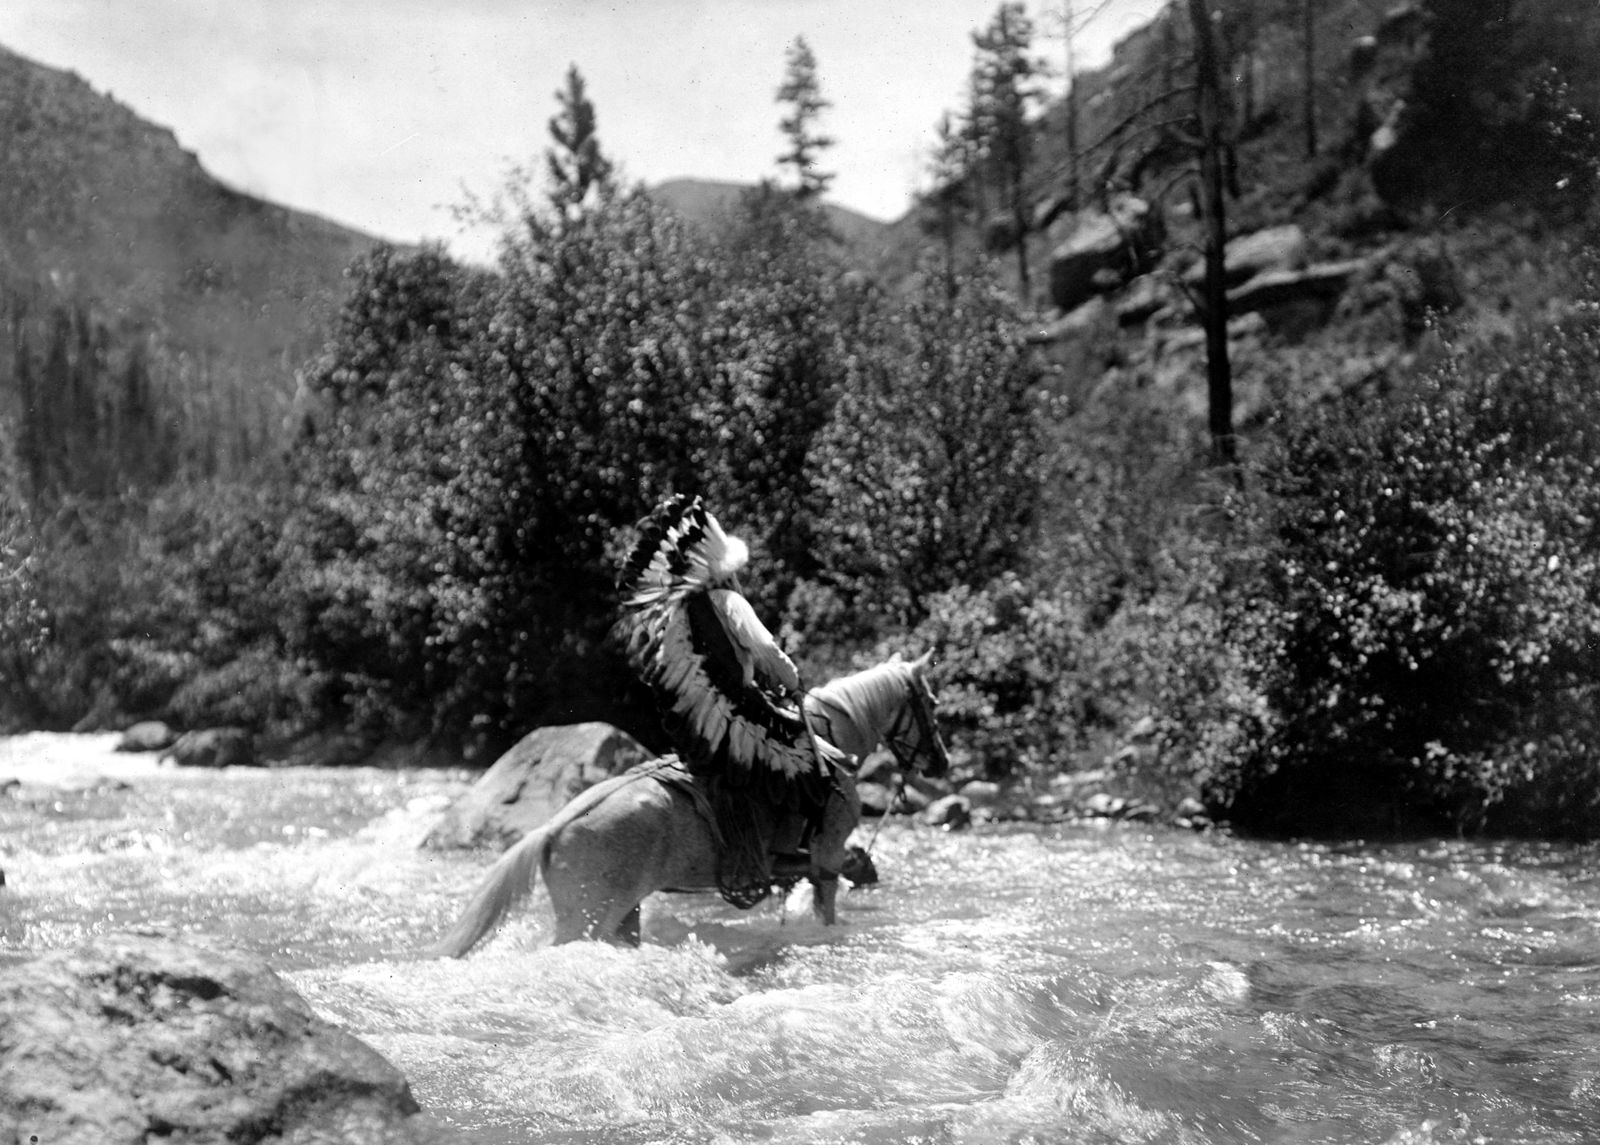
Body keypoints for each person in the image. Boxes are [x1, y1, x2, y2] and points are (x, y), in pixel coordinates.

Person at [616, 494, 841, 892]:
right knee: (810, 758)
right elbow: (767, 650)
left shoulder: (679, 612)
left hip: (696, 721)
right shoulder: (730, 601)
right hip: (734, 715)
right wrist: (791, 682)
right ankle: (784, 854)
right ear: (726, 571)